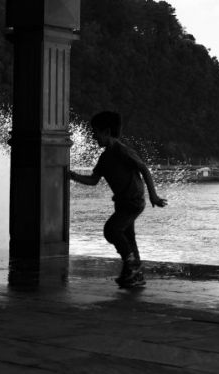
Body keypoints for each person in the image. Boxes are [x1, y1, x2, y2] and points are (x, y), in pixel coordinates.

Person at [69, 111, 167, 288]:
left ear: (106, 131)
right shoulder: (104, 158)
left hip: (133, 201)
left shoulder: (122, 150)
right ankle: (135, 275)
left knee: (111, 230)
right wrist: (73, 176)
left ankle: (132, 264)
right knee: (128, 238)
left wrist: (153, 195)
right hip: (122, 203)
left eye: (95, 132)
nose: (93, 136)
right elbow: (93, 180)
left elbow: (143, 169)